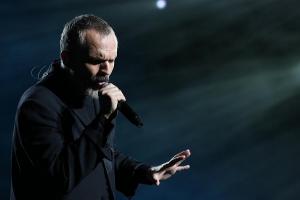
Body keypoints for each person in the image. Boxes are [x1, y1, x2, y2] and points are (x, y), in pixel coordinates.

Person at [11, 14, 191, 200]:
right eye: (97, 61)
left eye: (112, 60)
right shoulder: (38, 103)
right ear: (67, 58)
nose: (106, 70)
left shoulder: (91, 90)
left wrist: (144, 172)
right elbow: (60, 176)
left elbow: (100, 155)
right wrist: (103, 120)